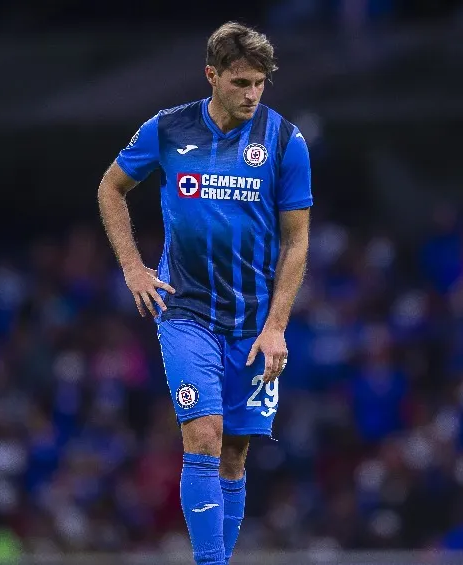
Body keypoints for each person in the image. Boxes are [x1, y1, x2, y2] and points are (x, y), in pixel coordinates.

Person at [96, 21, 312, 565]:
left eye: (259, 83)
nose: (252, 94)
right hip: (185, 311)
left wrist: (276, 327)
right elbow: (111, 188)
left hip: (253, 321)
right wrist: (134, 268)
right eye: (240, 82)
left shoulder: (285, 141)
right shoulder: (168, 129)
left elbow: (297, 241)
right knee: (204, 436)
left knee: (235, 453)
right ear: (211, 75)